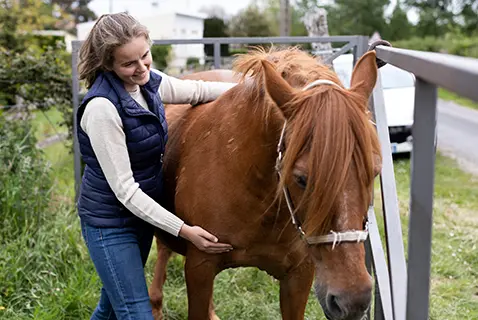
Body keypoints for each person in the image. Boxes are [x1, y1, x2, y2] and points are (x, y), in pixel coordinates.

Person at [76, 12, 235, 320]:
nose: (142, 68)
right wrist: (185, 231)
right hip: (110, 223)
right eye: (128, 63)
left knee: (111, 308)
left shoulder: (149, 82)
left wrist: (255, 87)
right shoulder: (101, 109)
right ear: (108, 64)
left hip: (141, 219)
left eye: (145, 56)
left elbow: (199, 91)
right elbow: (126, 191)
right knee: (136, 312)